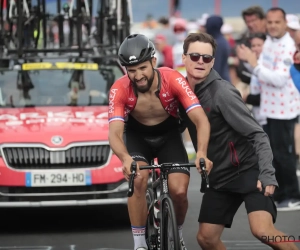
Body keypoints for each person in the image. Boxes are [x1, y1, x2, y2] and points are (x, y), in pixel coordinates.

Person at [179, 32, 298, 250]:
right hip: (220, 178)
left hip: (248, 171)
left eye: (206, 58)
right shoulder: (182, 93)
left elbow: (258, 134)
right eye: (195, 56)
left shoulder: (222, 92)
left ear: (213, 61)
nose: (200, 62)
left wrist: (267, 174)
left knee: (263, 231)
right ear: (184, 57)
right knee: (206, 238)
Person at [108, 34, 212, 250]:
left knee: (179, 191)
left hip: (169, 136)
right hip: (138, 138)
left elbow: (200, 120)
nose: (138, 76)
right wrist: (126, 158)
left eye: (142, 68)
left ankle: (178, 233)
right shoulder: (119, 89)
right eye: (132, 70)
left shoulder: (173, 79)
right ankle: (139, 244)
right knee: (138, 179)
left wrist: (201, 152)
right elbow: (114, 133)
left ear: (154, 62)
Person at [238, 7, 300, 211]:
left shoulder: (289, 46)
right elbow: (261, 73)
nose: (273, 26)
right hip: (268, 108)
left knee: (284, 155)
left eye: (277, 22)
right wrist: (249, 63)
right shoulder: (269, 43)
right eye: (270, 22)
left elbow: (280, 79)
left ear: (284, 23)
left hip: (284, 109)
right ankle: (282, 193)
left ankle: (292, 195)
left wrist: (254, 65)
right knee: (274, 155)